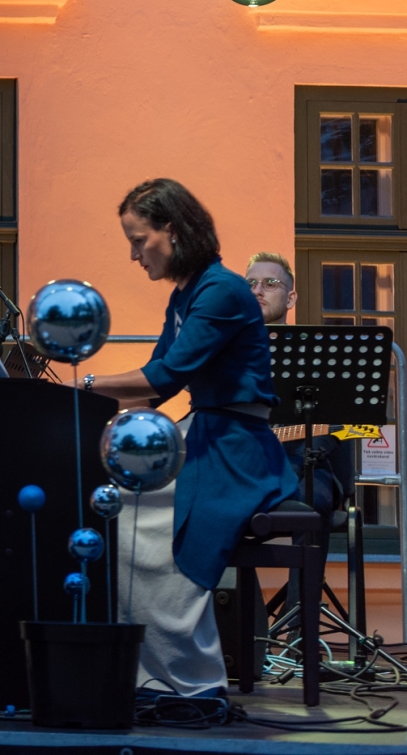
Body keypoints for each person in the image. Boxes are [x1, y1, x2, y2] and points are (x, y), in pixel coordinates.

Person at [83, 179, 297, 697]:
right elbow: (156, 390)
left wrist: (80, 384)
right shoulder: (187, 294)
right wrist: (86, 413)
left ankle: (187, 683)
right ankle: (139, 670)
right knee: (105, 491)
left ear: (172, 231)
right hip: (207, 435)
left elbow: (166, 375)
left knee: (125, 506)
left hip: (236, 449)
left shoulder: (222, 290)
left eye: (139, 240)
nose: (134, 255)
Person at [246, 251, 352, 524]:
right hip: (242, 465)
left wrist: (295, 465)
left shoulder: (317, 352)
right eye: (250, 283)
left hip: (307, 468)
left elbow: (337, 421)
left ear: (291, 299)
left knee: (309, 501)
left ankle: (307, 558)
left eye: (270, 283)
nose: (257, 291)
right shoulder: (226, 350)